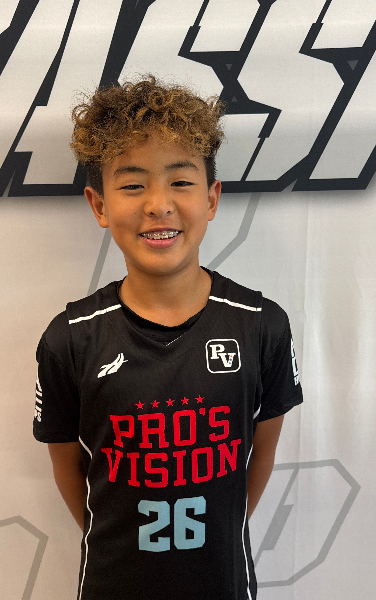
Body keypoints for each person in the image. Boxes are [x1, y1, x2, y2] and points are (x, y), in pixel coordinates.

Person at [33, 75, 303, 600]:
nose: (159, 204)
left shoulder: (261, 325)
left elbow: (261, 453)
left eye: (180, 181)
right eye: (133, 185)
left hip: (223, 583)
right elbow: (68, 467)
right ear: (99, 205)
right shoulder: (70, 339)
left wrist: (214, 534)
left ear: (212, 198)